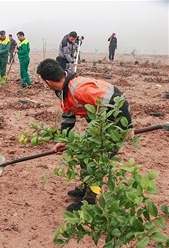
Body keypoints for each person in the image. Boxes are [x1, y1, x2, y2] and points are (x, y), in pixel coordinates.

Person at [36, 58, 134, 212]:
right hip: (98, 124)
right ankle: (85, 188)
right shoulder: (63, 90)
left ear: (47, 82)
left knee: (96, 163)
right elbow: (68, 116)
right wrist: (64, 140)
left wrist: (128, 127)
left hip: (114, 122)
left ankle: (89, 202)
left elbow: (117, 99)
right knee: (84, 154)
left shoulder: (78, 89)